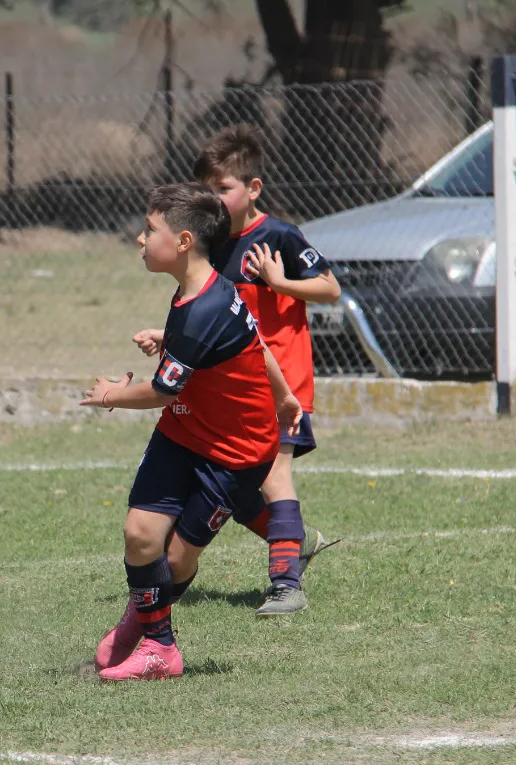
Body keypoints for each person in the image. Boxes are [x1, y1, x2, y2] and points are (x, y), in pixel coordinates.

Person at [81, 182, 301, 681]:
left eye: (149, 229)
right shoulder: (198, 292)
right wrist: (284, 395)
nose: (140, 240)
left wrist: (111, 394)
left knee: (177, 561)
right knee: (140, 534)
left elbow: (163, 391)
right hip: (183, 435)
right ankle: (160, 644)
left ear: (183, 241)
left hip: (235, 454)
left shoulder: (205, 307)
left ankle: (149, 626)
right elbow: (252, 344)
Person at [136, 124, 341, 616]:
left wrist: (281, 281)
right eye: (206, 189)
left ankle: (286, 585)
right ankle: (290, 537)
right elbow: (223, 319)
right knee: (238, 486)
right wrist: (171, 339)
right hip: (232, 386)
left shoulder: (279, 236)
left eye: (223, 188)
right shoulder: (209, 245)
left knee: (274, 473)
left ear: (252, 189)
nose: (214, 198)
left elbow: (331, 289)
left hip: (280, 379)